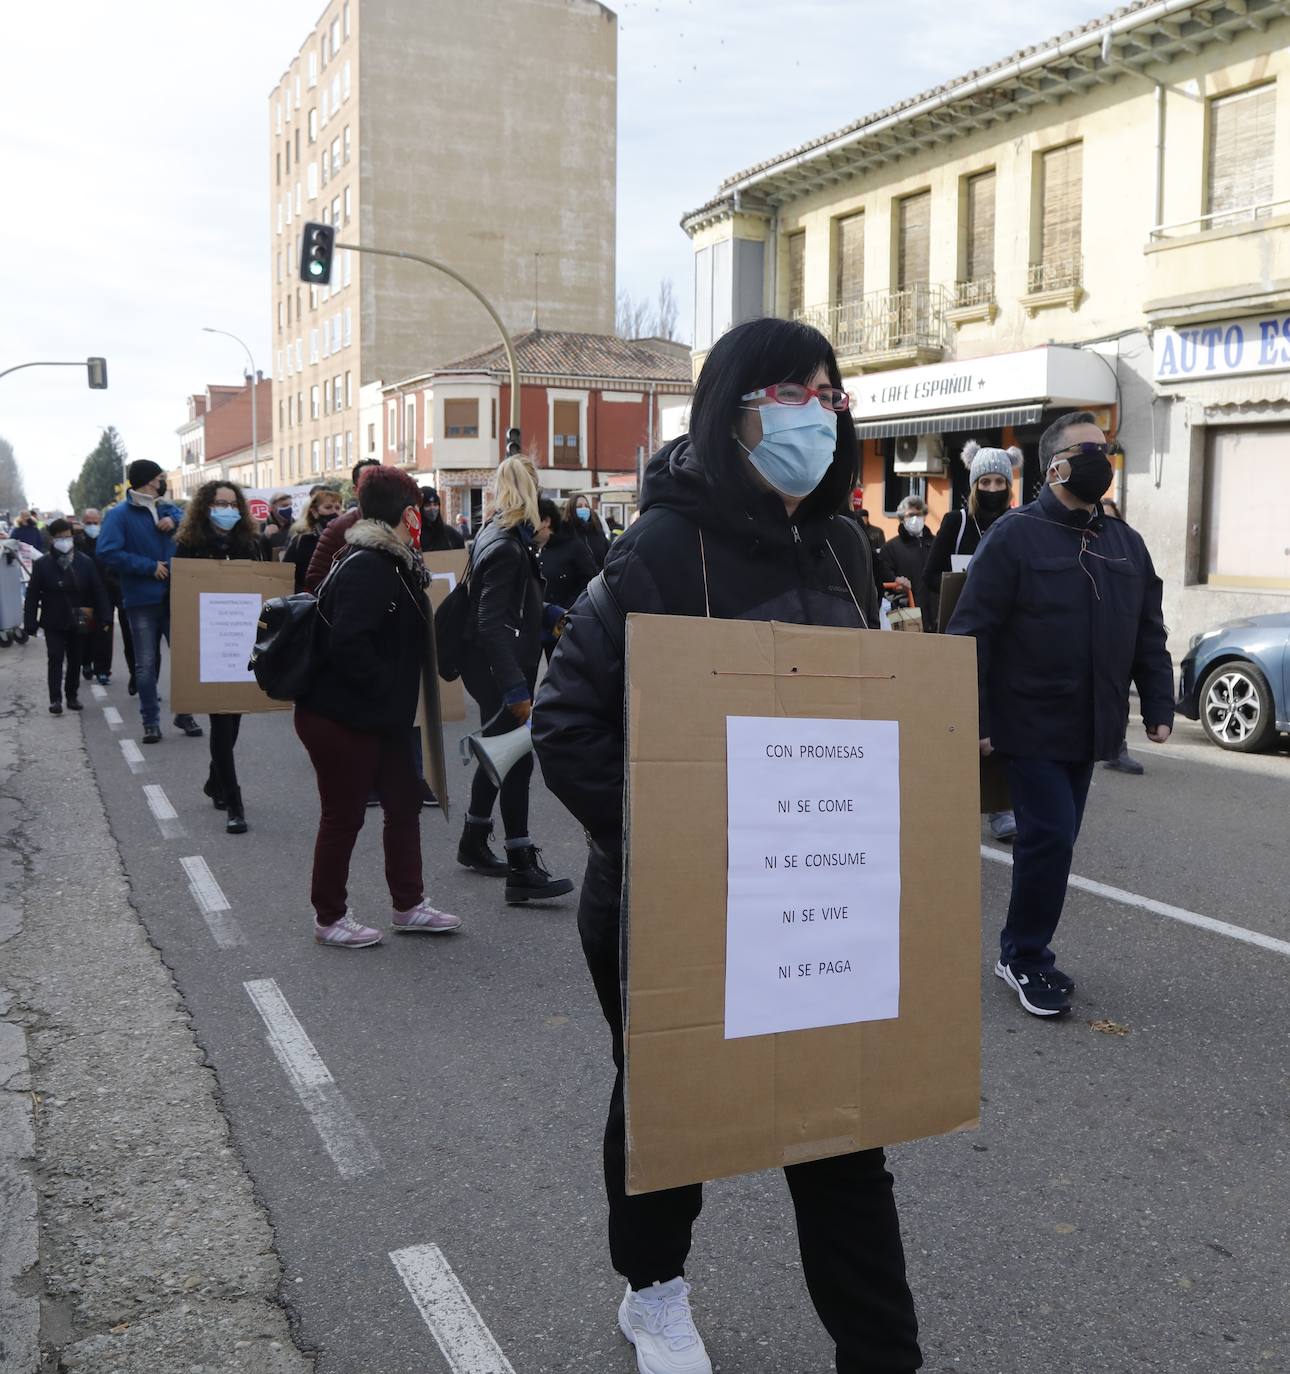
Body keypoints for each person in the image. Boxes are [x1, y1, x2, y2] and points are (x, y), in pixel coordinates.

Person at [533, 317, 921, 1374]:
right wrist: (678, 839)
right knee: (670, 1116)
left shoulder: (845, 548)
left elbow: (863, 709)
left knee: (844, 1132)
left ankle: (883, 1354)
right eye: (794, 393)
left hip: (816, 900)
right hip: (674, 903)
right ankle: (653, 1296)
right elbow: (564, 722)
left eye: (831, 395)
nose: (819, 413)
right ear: (736, 410)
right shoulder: (659, 550)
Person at [947, 411, 1175, 1018]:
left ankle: (1022, 945)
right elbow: (970, 632)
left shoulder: (1124, 543)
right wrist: (975, 720)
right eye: (1089, 450)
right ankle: (1025, 957)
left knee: (1058, 840)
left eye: (1107, 448)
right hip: (1027, 723)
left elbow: (1147, 631)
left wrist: (1157, 701)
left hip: (1090, 725)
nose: (1104, 458)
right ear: (1056, 465)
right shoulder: (1015, 536)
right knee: (1047, 836)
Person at [294, 464, 461, 947]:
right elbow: (349, 645)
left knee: (404, 803)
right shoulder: (369, 564)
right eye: (417, 510)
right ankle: (329, 917)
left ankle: (408, 905)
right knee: (344, 815)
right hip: (342, 715)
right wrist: (388, 688)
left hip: (380, 715)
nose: (424, 519)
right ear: (405, 513)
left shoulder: (392, 560)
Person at [456, 459, 574, 904]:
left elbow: (509, 606)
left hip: (494, 669)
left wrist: (550, 615)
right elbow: (490, 621)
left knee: (499, 755)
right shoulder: (507, 546)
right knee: (517, 762)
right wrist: (515, 690)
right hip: (502, 672)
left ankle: (473, 838)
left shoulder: (494, 535)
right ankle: (521, 867)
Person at [921, 442, 1022, 843]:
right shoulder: (957, 522)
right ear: (974, 484)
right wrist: (964, 586)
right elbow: (930, 576)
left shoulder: (1019, 524)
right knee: (956, 719)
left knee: (998, 721)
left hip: (1006, 638)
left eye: (1000, 480)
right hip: (961, 635)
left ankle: (1001, 807)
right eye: (985, 480)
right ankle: (945, 799)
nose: (993, 487)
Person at [174, 482, 262, 834]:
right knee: (221, 721)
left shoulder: (249, 544)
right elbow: (179, 593)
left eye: (231, 503)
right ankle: (234, 802)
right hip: (207, 639)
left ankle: (215, 780)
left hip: (240, 640)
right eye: (218, 503)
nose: (226, 509)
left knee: (233, 720)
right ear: (205, 507)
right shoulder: (189, 545)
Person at [97, 460, 204, 744]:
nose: (163, 482)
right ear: (147, 480)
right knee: (145, 663)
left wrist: (176, 521)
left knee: (185, 660)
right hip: (142, 599)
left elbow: (192, 523)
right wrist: (148, 566)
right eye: (160, 478)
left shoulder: (167, 508)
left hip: (176, 595)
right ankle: (151, 722)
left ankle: (185, 713)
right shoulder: (119, 515)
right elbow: (107, 551)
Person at [23, 518, 109, 714]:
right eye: (59, 537)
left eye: (67, 536)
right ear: (52, 540)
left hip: (81, 614)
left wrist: (105, 616)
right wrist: (30, 622)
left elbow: (97, 590)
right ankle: (55, 699)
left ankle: (72, 695)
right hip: (53, 616)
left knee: (75, 658)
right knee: (55, 657)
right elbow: (32, 594)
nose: (64, 540)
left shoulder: (85, 563)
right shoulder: (43, 564)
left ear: (72, 537)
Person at [1097, 497, 1146, 775]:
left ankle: (1118, 746)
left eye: (1114, 517)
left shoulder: (1130, 547)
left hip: (1120, 632)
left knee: (1120, 695)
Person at [304, 459, 380, 592]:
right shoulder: (338, 528)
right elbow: (315, 579)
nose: (375, 488)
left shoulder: (401, 525)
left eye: (380, 482)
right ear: (356, 490)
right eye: (368, 482)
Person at [537, 498, 596, 617]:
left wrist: (569, 608)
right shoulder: (528, 547)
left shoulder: (573, 546)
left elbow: (589, 582)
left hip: (565, 620)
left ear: (546, 521)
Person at [877, 493, 934, 606]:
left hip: (935, 612)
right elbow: (885, 581)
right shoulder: (890, 548)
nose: (915, 519)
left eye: (919, 514)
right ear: (902, 518)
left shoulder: (935, 544)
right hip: (906, 612)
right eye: (911, 515)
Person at [283, 489, 343, 594]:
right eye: (328, 507)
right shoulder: (302, 541)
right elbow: (286, 576)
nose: (334, 512)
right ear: (314, 512)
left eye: (337, 508)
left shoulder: (347, 540)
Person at [564, 493, 610, 569]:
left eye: (587, 506)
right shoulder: (566, 534)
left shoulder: (598, 533)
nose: (584, 508)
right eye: (579, 506)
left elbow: (609, 555)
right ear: (571, 510)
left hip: (599, 578)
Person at [418, 486, 465, 553]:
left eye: (435, 504)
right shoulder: (415, 536)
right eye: (427, 505)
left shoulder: (449, 533)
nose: (432, 508)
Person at [258, 492, 296, 560]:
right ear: (272, 508)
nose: (289, 509)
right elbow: (256, 552)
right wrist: (264, 537)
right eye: (284, 506)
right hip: (270, 569)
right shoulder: (261, 527)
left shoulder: (297, 527)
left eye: (290, 505)